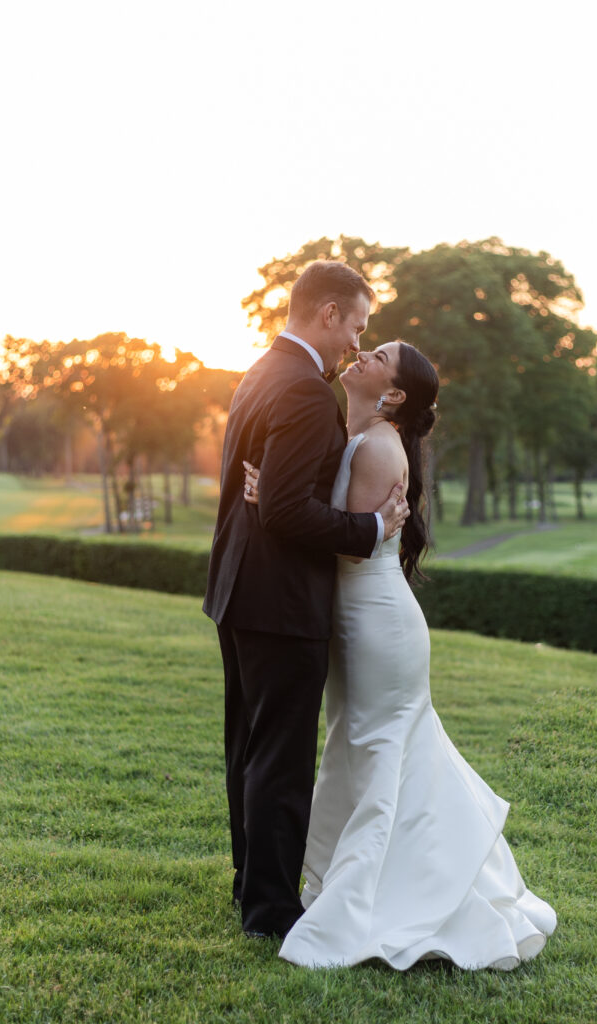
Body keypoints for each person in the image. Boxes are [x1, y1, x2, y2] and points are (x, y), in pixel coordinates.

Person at [243, 340, 557, 970]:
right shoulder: (361, 437)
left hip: (375, 625)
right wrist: (275, 499)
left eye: (378, 355)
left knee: (382, 750)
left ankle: (385, 901)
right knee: (365, 747)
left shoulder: (376, 445)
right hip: (359, 618)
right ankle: (374, 883)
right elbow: (320, 520)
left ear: (393, 394)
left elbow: (342, 543)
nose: (362, 354)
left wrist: (271, 506)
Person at [203, 261, 410, 939]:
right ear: (327, 314)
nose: (356, 340)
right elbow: (286, 512)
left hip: (240, 592)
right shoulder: (300, 391)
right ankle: (269, 910)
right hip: (281, 599)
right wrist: (372, 528)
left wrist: (285, 501)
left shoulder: (264, 371)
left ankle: (250, 889)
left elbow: (273, 497)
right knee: (281, 761)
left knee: (250, 751)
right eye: (355, 325)